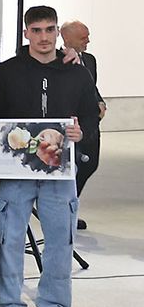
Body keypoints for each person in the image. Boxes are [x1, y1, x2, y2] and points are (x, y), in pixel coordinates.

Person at [0, 5, 100, 307]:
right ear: (26, 34)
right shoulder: (7, 71)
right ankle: (8, 305)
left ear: (57, 33)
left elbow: (90, 114)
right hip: (16, 169)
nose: (44, 37)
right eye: (36, 31)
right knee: (9, 237)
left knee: (61, 240)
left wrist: (82, 134)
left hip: (59, 172)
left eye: (49, 30)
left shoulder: (77, 71)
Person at [59, 19, 104, 218]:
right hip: (71, 125)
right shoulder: (58, 60)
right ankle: (65, 211)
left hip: (91, 122)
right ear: (66, 38)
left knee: (90, 164)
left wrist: (100, 102)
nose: (87, 41)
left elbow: (91, 87)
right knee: (70, 167)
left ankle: (70, 205)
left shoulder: (90, 59)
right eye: (83, 38)